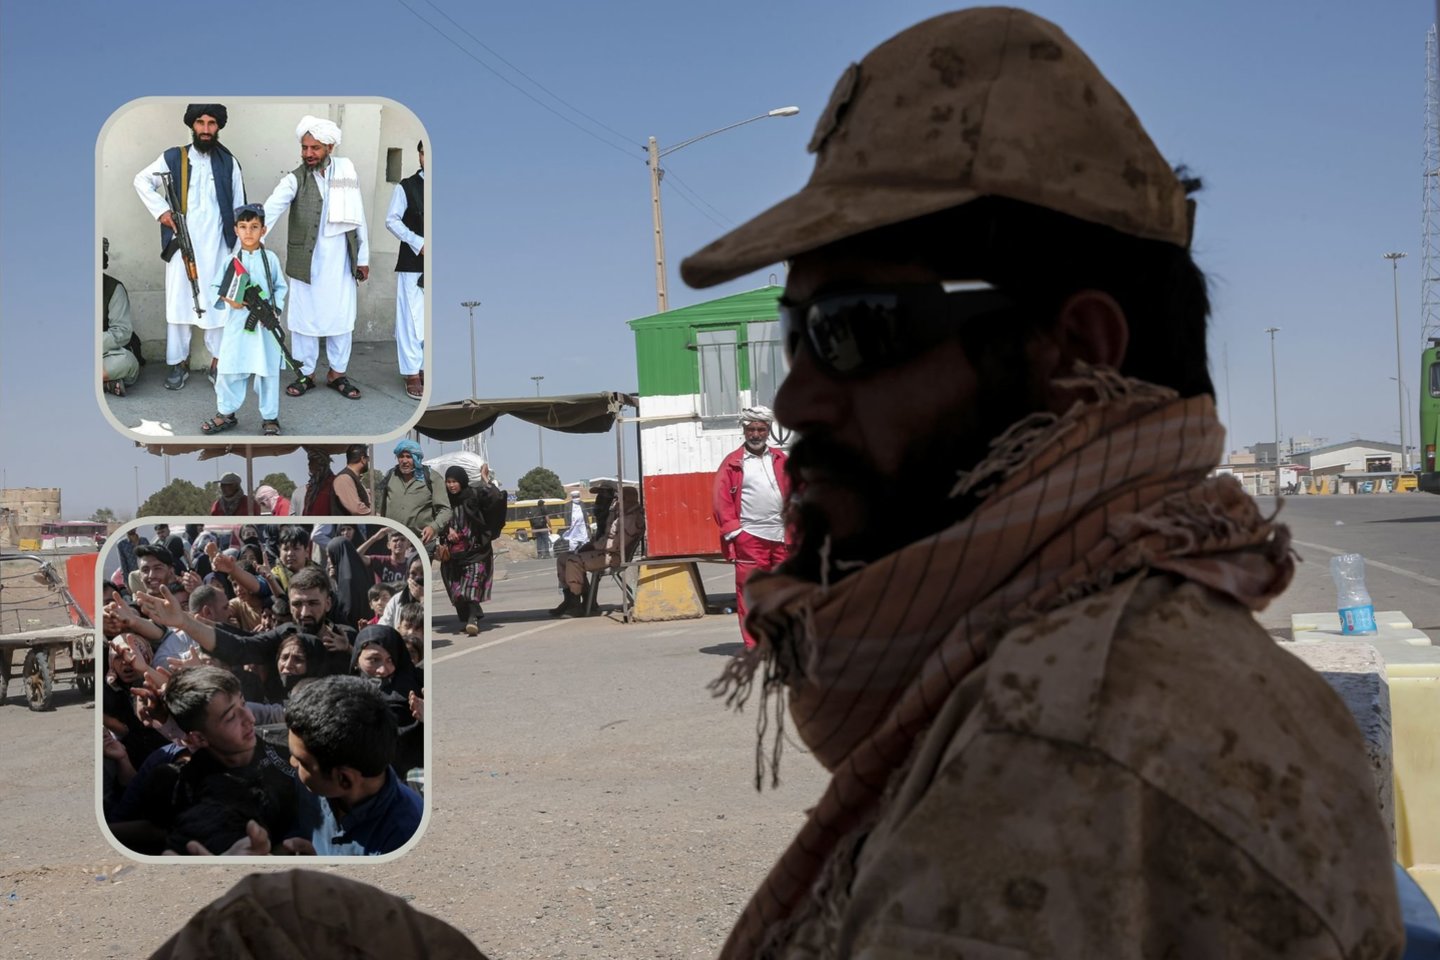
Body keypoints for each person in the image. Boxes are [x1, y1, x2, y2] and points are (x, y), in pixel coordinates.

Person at [679, 9, 1403, 959]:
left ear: (1076, 356)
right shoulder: (1079, 662)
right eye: (795, 335)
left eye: (852, 329)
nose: (797, 398)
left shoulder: (1071, 751)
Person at [108, 665, 297, 856]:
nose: (249, 718)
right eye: (231, 717)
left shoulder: (282, 741)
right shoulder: (203, 794)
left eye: (243, 703)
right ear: (198, 738)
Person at [132, 104, 246, 391]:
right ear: (192, 125)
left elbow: (239, 207)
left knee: (219, 304)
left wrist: (239, 250)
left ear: (218, 127)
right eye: (200, 123)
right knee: (179, 303)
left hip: (219, 247)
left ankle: (219, 362)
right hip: (181, 246)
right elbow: (141, 180)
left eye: (211, 123)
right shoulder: (173, 157)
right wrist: (162, 211)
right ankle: (178, 363)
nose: (206, 129)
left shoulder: (229, 163)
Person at [263, 115, 369, 401]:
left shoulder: (346, 172)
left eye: (315, 148)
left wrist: (363, 258)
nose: (308, 153)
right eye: (304, 147)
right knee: (304, 321)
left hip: (341, 261)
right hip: (306, 263)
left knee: (341, 319)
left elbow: (358, 216)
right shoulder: (294, 179)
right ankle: (305, 374)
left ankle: (337, 373)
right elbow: (273, 207)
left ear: (330, 148)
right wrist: (254, 234)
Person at [202, 204, 288, 437]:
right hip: (238, 325)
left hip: (265, 327)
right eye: (243, 227)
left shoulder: (270, 259)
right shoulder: (231, 260)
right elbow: (215, 288)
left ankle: (270, 417)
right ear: (236, 230)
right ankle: (226, 413)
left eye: (254, 227)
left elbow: (280, 287)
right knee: (229, 369)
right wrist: (230, 300)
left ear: (263, 230)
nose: (248, 232)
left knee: (268, 373)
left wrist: (274, 308)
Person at [712, 405, 790, 649]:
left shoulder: (781, 459)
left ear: (768, 430)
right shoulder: (732, 463)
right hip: (750, 537)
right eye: (751, 429)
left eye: (761, 429)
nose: (756, 434)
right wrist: (735, 530)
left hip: (782, 537)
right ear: (744, 430)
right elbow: (720, 499)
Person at [550, 483, 643, 618]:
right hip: (604, 550)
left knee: (574, 561)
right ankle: (571, 599)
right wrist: (592, 545)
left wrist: (594, 546)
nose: (601, 498)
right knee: (563, 558)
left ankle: (576, 602)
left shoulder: (630, 518)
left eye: (605, 494)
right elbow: (604, 535)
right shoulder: (616, 513)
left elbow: (615, 544)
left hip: (614, 555)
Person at [438, 465, 504, 635]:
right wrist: (446, 530)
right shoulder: (443, 501)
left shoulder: (473, 496)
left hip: (476, 550)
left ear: (462, 481)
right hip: (453, 554)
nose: (451, 485)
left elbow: (495, 498)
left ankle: (473, 619)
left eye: (455, 481)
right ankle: (469, 616)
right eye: (448, 482)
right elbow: (435, 519)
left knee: (471, 584)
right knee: (456, 589)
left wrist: (485, 479)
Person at [386, 140, 426, 400]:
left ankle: (424, 368)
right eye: (424, 153)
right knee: (412, 319)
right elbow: (392, 220)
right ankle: (412, 373)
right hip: (414, 263)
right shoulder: (407, 187)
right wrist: (418, 242)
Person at [377, 440, 449, 545]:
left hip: (421, 543)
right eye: (401, 456)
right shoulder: (391, 476)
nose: (404, 461)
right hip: (395, 542)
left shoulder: (432, 477)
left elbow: (445, 510)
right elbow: (383, 509)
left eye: (409, 457)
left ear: (417, 458)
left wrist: (433, 527)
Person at [101, 237, 141, 396]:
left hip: (102, 351)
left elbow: (121, 332)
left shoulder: (113, 288)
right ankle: (105, 382)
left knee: (127, 362)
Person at [332, 443, 374, 516]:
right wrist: (375, 516)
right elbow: (357, 509)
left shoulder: (352, 478)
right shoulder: (344, 478)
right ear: (363, 459)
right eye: (367, 459)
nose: (368, 461)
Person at [296, 448, 337, 517]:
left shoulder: (335, 482)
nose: (309, 464)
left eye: (312, 461)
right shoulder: (312, 486)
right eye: (309, 461)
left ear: (321, 462)